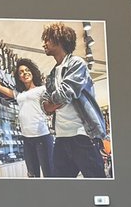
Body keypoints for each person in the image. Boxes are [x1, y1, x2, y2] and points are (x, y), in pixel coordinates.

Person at [40, 22, 109, 178]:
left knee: (97, 186)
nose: (44, 44)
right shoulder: (51, 75)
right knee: (60, 189)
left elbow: (64, 95)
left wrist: (52, 103)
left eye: (47, 39)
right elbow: (44, 106)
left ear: (59, 40)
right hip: (61, 138)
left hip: (83, 135)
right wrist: (51, 103)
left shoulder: (77, 64)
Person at [0, 57, 54, 178]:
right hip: (27, 139)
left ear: (32, 72)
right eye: (21, 72)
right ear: (19, 77)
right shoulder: (19, 94)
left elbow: (53, 103)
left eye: (27, 70)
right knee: (32, 175)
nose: (25, 73)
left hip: (42, 137)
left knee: (49, 174)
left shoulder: (42, 89)